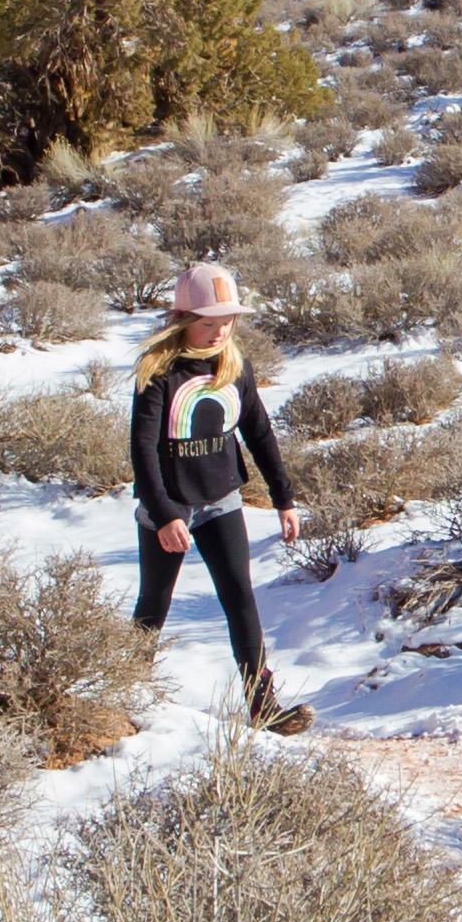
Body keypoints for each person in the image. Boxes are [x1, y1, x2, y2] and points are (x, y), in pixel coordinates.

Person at [125, 260, 306, 731]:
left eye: (227, 322)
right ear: (183, 319)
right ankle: (121, 690)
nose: (220, 331)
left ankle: (262, 704)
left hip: (221, 499)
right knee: (154, 602)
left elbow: (260, 433)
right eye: (209, 322)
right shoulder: (158, 373)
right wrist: (164, 514)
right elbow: (142, 451)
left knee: (240, 596)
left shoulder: (233, 366)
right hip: (169, 505)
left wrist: (283, 498)